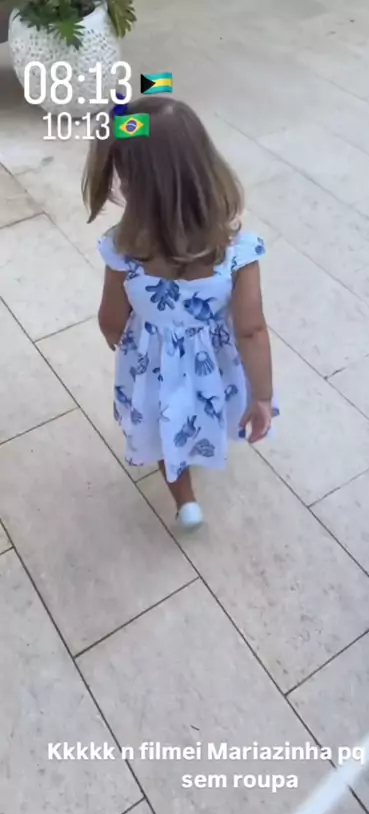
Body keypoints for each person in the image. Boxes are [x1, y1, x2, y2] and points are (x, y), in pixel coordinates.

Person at [82, 95, 277, 529]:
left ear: (130, 184)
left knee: (162, 426)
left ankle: (186, 502)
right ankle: (202, 443)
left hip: (152, 362)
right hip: (214, 362)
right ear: (207, 166)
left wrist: (119, 340)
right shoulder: (239, 250)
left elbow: (110, 318)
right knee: (200, 408)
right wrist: (262, 396)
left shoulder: (123, 248)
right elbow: (251, 329)